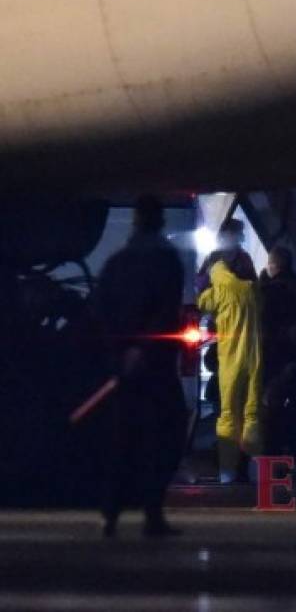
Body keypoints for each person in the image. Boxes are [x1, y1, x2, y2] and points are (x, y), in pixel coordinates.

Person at [96, 195, 187, 537]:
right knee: (163, 437)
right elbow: (167, 310)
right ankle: (152, 512)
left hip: (121, 365)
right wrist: (144, 347)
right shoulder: (165, 261)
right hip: (156, 366)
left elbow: (100, 308)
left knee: (122, 438)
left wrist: (117, 350)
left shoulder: (118, 262)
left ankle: (111, 513)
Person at [198, 258, 263, 483]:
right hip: (254, 358)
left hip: (230, 361)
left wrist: (202, 286)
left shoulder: (216, 292)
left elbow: (200, 303)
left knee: (228, 415)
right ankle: (256, 469)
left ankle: (227, 470)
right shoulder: (250, 289)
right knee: (252, 414)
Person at [258, 246, 296, 456]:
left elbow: (267, 328)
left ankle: (273, 457)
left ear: (274, 265)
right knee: (294, 409)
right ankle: (294, 455)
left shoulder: (271, 291)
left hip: (275, 358)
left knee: (271, 409)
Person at [197, 218, 257, 290]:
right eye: (238, 233)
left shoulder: (244, 258)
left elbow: (254, 284)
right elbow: (200, 284)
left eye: (238, 234)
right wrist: (209, 275)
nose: (242, 237)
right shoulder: (213, 256)